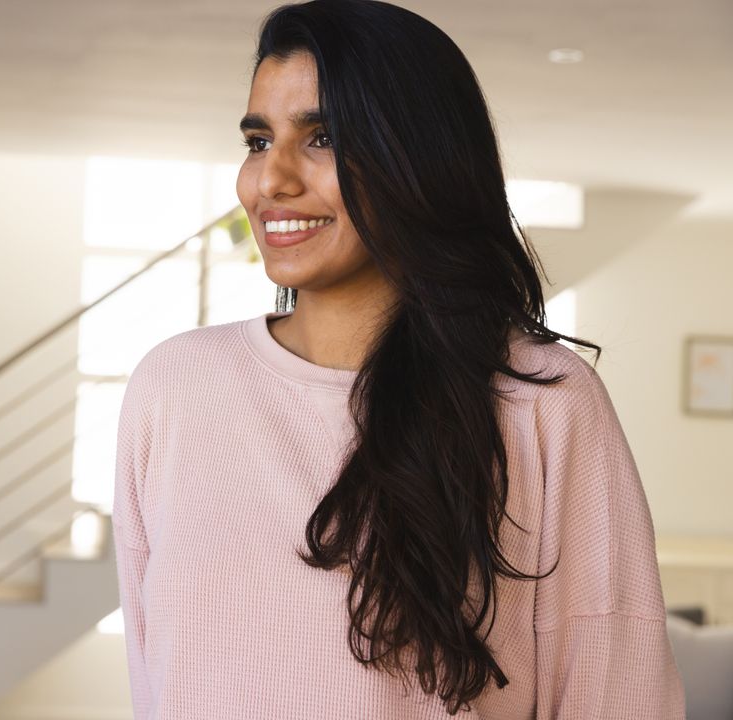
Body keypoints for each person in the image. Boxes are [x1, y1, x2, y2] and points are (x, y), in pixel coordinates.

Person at [111, 0, 686, 717]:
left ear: (417, 157)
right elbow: (153, 676)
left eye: (321, 137)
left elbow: (614, 692)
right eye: (259, 141)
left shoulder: (542, 400)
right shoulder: (174, 387)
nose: (271, 181)